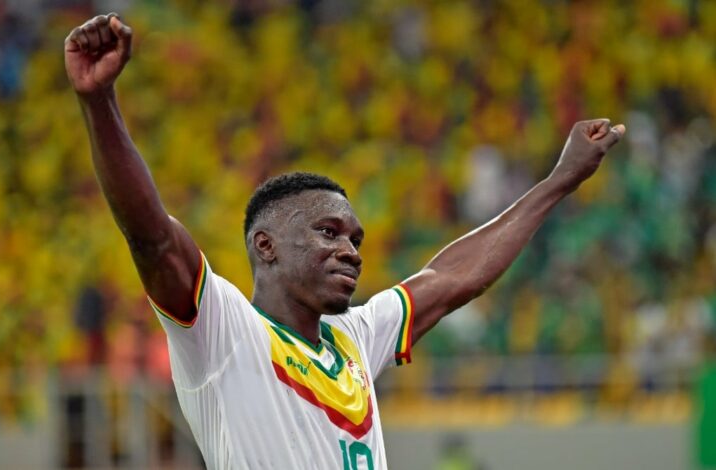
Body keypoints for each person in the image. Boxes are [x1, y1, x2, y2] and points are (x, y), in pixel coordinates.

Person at [64, 13, 625, 470]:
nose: (351, 250)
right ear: (266, 246)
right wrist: (99, 101)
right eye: (328, 232)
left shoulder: (354, 336)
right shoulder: (223, 331)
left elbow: (455, 277)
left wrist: (559, 182)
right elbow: (152, 237)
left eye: (355, 238)